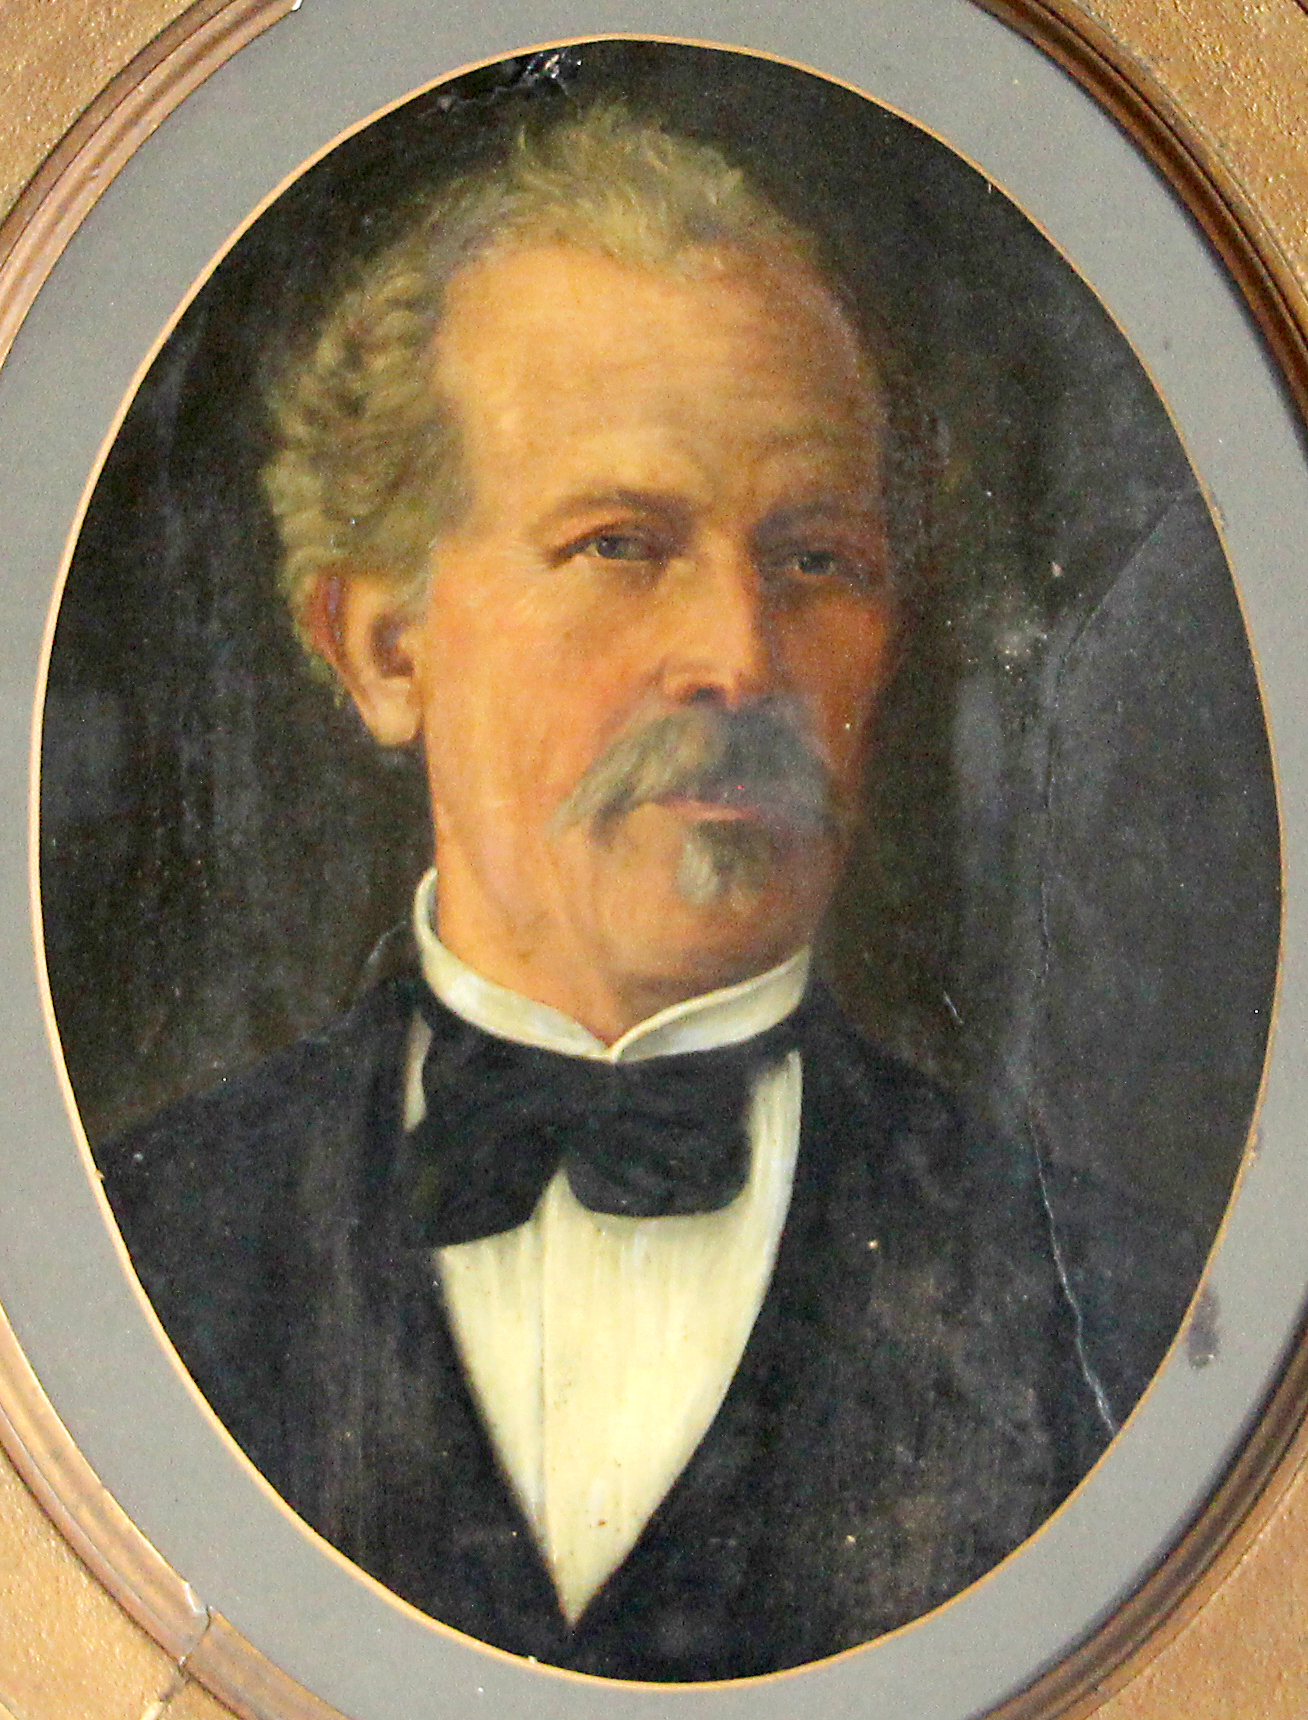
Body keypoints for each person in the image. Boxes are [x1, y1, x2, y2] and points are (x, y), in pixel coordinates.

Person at [101, 106, 1186, 1680]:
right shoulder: (126, 1265)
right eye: (622, 543)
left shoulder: (1116, 1321)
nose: (738, 657)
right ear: (384, 644)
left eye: (814, 560)